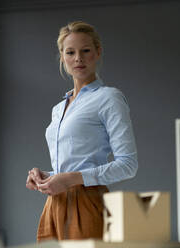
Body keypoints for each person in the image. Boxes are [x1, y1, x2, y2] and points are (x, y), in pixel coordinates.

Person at [25, 21, 138, 241]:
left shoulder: (109, 98)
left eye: (85, 50)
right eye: (71, 52)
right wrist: (47, 177)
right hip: (54, 205)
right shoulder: (58, 109)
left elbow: (128, 165)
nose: (78, 58)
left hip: (88, 204)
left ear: (97, 52)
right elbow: (72, 165)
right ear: (62, 57)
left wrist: (70, 179)